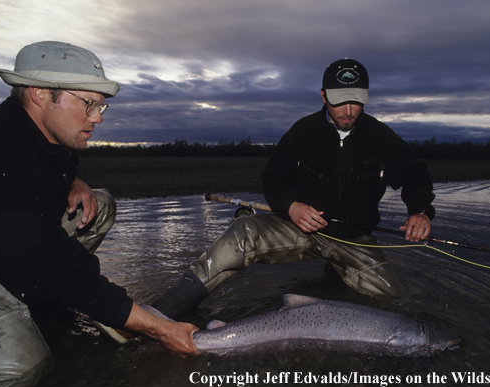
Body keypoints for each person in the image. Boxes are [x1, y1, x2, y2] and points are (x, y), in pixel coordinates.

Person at [0, 41, 198, 387]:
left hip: (14, 250)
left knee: (99, 203)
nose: (98, 117)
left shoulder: (42, 131)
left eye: (100, 105)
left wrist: (75, 182)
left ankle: (40, 304)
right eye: (88, 104)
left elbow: (53, 169)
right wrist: (158, 328)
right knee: (26, 373)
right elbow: (53, 266)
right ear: (40, 94)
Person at [149, 58, 436, 320]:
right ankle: (164, 311)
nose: (348, 111)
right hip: (301, 230)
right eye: (339, 101)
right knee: (242, 231)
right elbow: (273, 178)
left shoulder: (381, 136)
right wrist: (291, 206)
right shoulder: (302, 132)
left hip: (355, 240)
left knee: (396, 306)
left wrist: (420, 211)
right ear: (323, 96)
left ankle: (336, 275)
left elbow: (416, 175)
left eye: (356, 101)